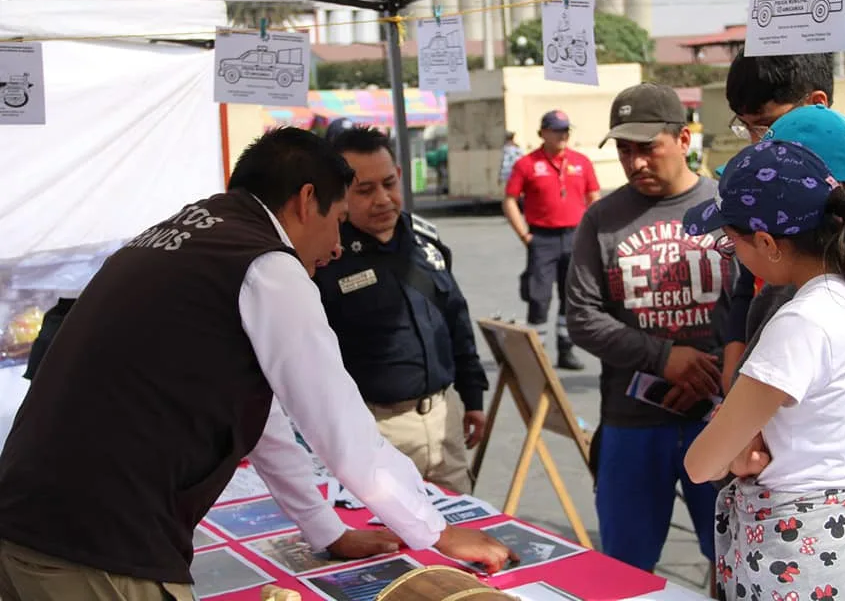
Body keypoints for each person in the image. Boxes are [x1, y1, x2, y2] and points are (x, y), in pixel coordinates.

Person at [0, 128, 513, 601]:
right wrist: (437, 532)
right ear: (306, 200)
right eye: (337, 221)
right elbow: (342, 432)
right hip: (98, 546)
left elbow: (256, 409)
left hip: (27, 519)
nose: (337, 247)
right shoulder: (267, 264)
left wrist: (325, 529)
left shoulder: (191, 232)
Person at [683, 140, 845, 601]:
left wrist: (737, 453)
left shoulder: (802, 322)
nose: (730, 251)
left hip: (803, 561)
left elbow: (701, 464)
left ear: (766, 243)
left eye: (729, 240)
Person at [566, 83, 733, 580]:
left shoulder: (730, 209)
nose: (635, 163)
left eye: (647, 148)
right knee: (624, 570)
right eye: (624, 150)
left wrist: (715, 370)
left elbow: (761, 307)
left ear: (683, 139)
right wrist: (665, 360)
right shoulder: (601, 219)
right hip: (631, 420)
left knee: (732, 563)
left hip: (721, 419)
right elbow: (583, 317)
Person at [314, 126, 487, 495]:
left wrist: (473, 398)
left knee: (461, 533)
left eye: (389, 184)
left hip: (443, 421)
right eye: (364, 190)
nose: (383, 199)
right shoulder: (323, 258)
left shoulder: (426, 242)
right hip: (374, 430)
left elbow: (456, 319)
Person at [722, 51, 845, 392]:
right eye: (743, 126)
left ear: (816, 103)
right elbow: (748, 280)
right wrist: (736, 348)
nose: (754, 141)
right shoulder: (774, 169)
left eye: (764, 125)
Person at [503, 110, 601, 370]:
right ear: (542, 133)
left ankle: (566, 349)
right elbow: (510, 200)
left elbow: (594, 197)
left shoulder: (581, 162)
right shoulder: (526, 164)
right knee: (539, 297)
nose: (563, 135)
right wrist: (525, 234)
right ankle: (536, 352)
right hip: (542, 238)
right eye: (557, 130)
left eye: (566, 130)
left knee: (571, 296)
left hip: (575, 236)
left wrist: (593, 232)